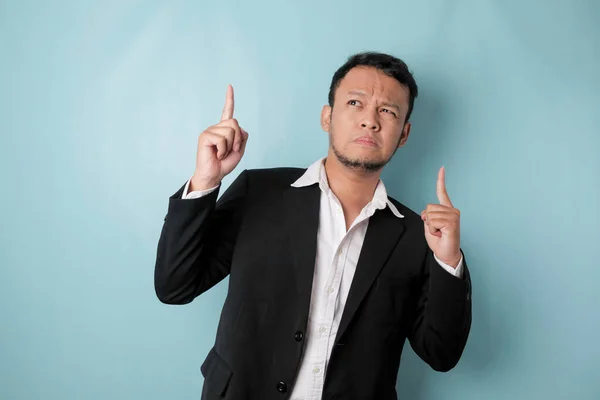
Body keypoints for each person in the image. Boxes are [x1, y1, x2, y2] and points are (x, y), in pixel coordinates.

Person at [154, 51, 472, 400]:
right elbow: (175, 286)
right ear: (327, 116)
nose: (370, 121)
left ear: (404, 134)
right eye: (355, 102)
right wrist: (204, 182)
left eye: (388, 111)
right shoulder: (258, 193)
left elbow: (441, 354)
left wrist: (448, 261)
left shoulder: (417, 235)